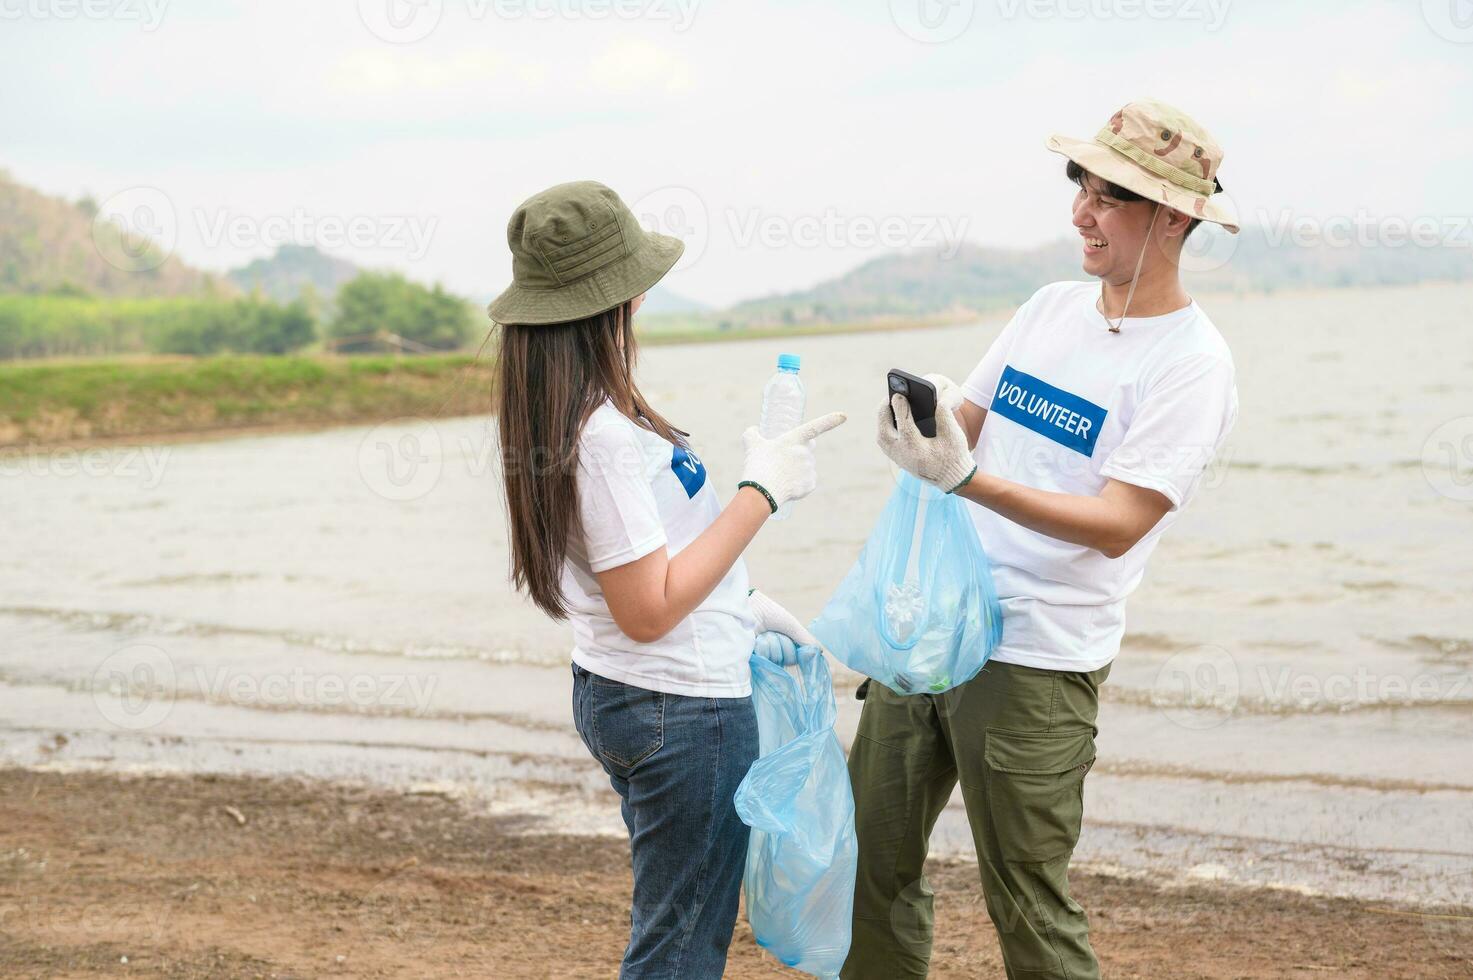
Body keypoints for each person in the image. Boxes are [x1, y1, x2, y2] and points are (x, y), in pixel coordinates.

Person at [849, 100, 1241, 979]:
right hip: (931, 625)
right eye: (1080, 186)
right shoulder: (1048, 308)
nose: (1080, 213)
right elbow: (970, 428)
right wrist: (927, 428)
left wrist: (965, 478)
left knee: (1025, 900)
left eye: (1109, 197)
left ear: (1173, 217)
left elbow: (1118, 525)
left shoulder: (1190, 363)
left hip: (1037, 656)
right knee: (868, 865)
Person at [489, 180, 844, 978]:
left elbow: (643, 568)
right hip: (679, 711)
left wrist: (743, 605)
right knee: (680, 947)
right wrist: (764, 491)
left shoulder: (561, 407)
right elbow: (647, 609)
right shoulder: (603, 436)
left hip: (627, 692)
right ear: (621, 297)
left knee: (675, 927)